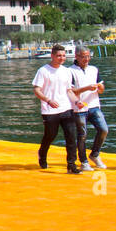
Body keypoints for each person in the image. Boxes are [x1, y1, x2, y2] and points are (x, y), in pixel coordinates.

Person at [33, 43, 83, 173]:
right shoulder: (43, 71)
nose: (61, 58)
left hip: (66, 108)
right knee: (50, 135)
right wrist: (48, 100)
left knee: (71, 136)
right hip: (50, 110)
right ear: (52, 56)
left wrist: (77, 102)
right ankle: (42, 155)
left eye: (64, 56)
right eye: (59, 56)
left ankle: (71, 165)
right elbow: (36, 90)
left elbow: (69, 91)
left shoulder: (67, 71)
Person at [70, 46, 106, 170]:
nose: (86, 59)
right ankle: (83, 161)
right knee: (82, 134)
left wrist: (100, 88)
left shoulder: (94, 69)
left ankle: (95, 154)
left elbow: (101, 87)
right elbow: (71, 91)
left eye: (88, 56)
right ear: (76, 56)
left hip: (94, 105)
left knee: (103, 129)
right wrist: (86, 88)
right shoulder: (70, 71)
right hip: (79, 108)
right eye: (83, 56)